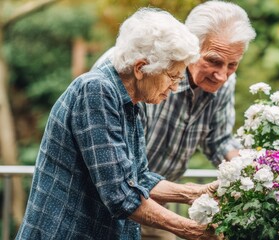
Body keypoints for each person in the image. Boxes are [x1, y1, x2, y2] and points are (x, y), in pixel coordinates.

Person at [15, 8, 219, 240]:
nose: (174, 87)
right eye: (171, 76)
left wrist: (196, 192)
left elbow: (138, 177)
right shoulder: (96, 90)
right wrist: (191, 230)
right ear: (140, 68)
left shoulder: (132, 101)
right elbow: (120, 195)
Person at [93, 1, 256, 239]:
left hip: (159, 202)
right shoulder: (135, 72)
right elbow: (122, 180)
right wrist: (190, 214)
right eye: (214, 61)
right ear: (191, 45)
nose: (222, 75)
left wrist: (254, 169)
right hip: (109, 204)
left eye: (232, 64)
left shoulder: (224, 83)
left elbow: (218, 141)